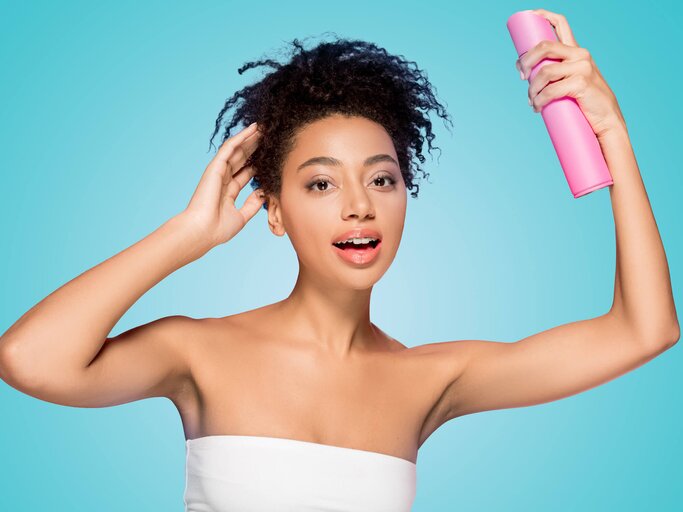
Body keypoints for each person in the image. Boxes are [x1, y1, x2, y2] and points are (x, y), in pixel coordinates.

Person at [0, 9, 678, 512]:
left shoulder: (429, 379)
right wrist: (186, 234)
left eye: (381, 179)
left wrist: (609, 130)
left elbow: (644, 330)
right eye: (320, 183)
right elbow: (29, 361)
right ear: (274, 209)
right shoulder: (196, 353)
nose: (359, 206)